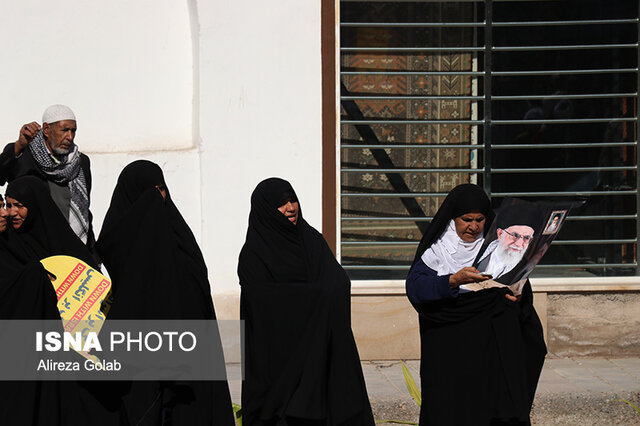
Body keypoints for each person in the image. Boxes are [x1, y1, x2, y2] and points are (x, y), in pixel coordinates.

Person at [96, 160, 235, 426]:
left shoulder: (178, 233)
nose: (158, 196)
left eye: (162, 188)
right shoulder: (119, 235)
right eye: (151, 190)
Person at [405, 184, 546, 425]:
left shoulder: (498, 246)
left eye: (480, 219)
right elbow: (416, 289)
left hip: (490, 349)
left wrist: (518, 297)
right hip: (451, 348)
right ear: (453, 219)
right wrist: (452, 280)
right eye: (466, 219)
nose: (473, 226)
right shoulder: (438, 251)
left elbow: (519, 286)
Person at [238, 177, 374, 426]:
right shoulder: (254, 254)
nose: (291, 208)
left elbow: (338, 281)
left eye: (293, 200)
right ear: (266, 209)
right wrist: (314, 297)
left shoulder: (310, 239)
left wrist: (317, 298)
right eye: (282, 204)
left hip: (321, 347)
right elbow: (261, 301)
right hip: (280, 355)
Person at [0, 105, 95, 248]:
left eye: (73, 131)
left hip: (71, 243)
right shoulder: (25, 156)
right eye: (64, 130)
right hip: (33, 244)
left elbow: (83, 206)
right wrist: (19, 145)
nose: (69, 137)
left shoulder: (81, 162)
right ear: (46, 130)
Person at [475, 205, 539, 283]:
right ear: (500, 233)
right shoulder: (477, 250)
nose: (519, 244)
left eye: (526, 238)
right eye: (515, 235)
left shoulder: (524, 266)